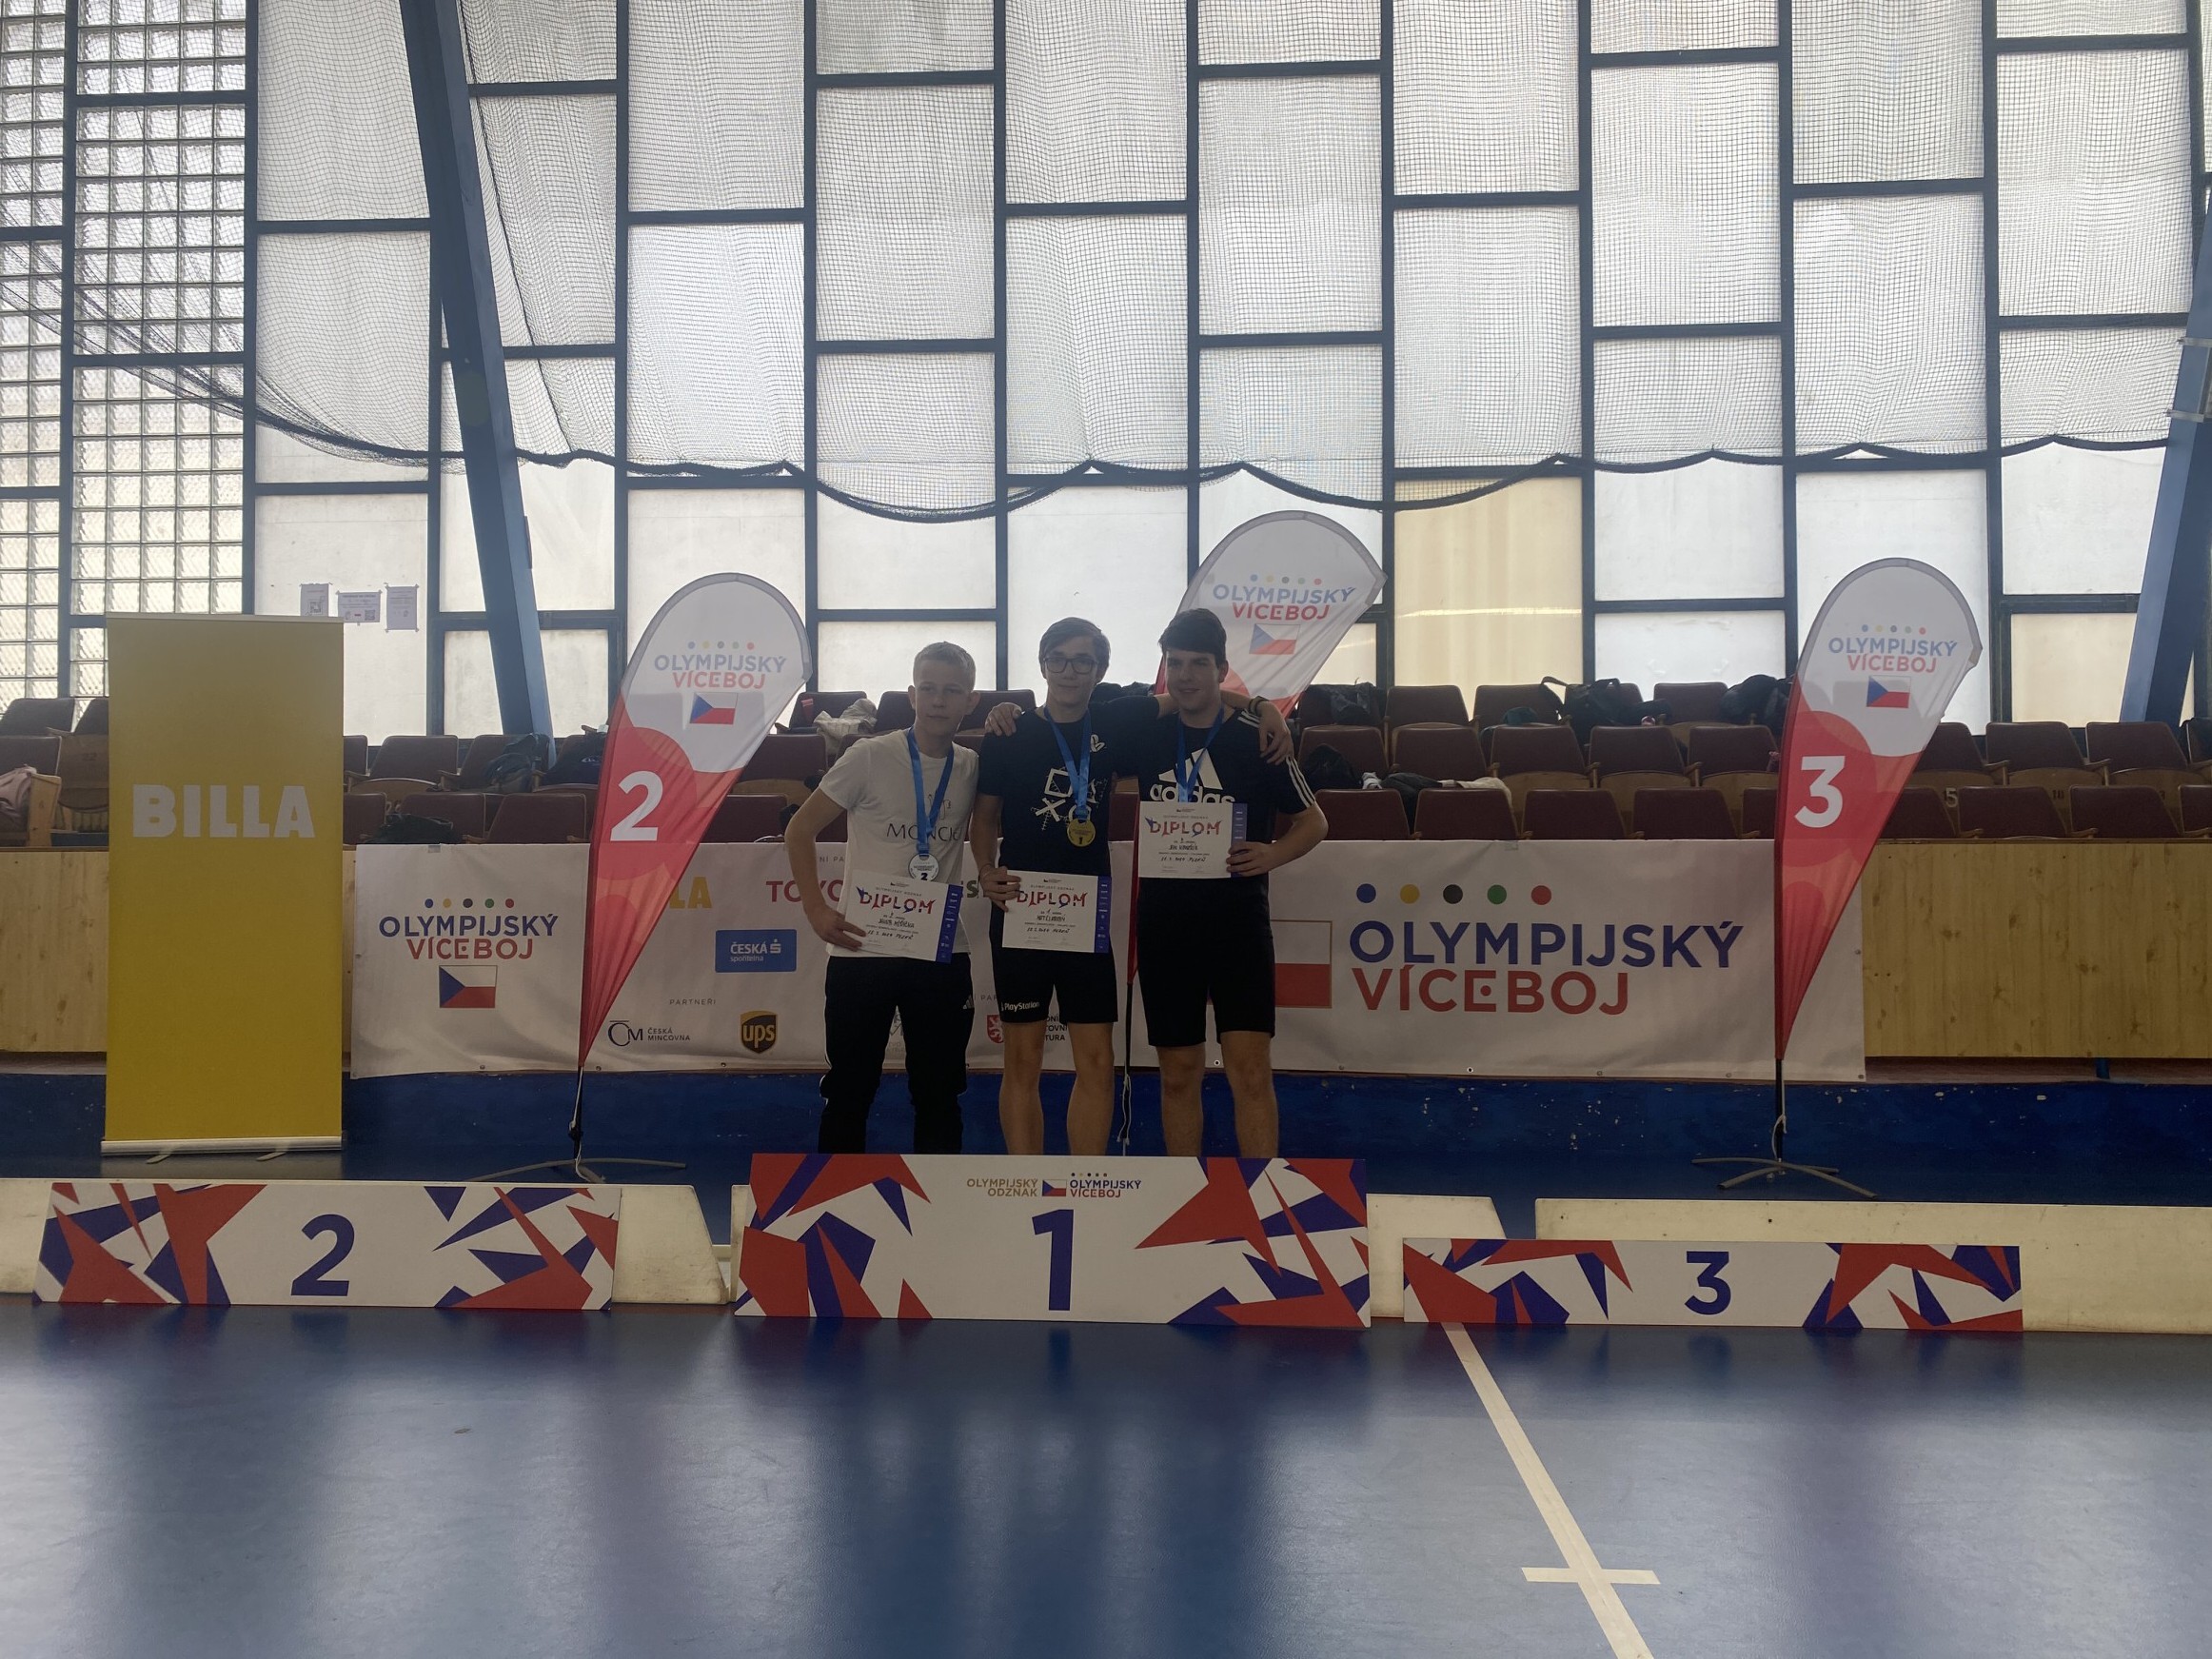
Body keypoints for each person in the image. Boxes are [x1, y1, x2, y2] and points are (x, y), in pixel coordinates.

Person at [971, 619, 1294, 1155]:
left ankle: (1085, 1183)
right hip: (1020, 910)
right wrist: (985, 871)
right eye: (1058, 659)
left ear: (1100, 670)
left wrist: (1264, 708)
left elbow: (1199, 692)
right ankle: (1025, 1185)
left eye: (1083, 660)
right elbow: (983, 819)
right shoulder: (1009, 732)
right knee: (1022, 1060)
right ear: (1042, 664)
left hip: (1085, 916)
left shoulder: (1120, 720)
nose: (1070, 670)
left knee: (1098, 1062)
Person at [1124, 609, 1326, 1157]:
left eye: (1199, 664)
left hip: (1238, 927)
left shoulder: (1256, 739)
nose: (1186, 675)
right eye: (1176, 664)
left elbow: (1314, 822)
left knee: (1250, 1072)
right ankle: (1185, 1191)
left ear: (1221, 668)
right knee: (1177, 1074)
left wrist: (1273, 853)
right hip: (1166, 929)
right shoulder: (1146, 734)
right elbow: (1077, 720)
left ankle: (1260, 1195)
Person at [784, 642, 981, 1154]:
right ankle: (835, 1194)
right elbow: (799, 830)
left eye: (952, 691)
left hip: (940, 951)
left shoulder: (972, 767)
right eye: (929, 689)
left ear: (970, 701)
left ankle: (939, 1198)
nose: (939, 701)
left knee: (940, 1092)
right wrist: (815, 908)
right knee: (850, 1089)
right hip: (862, 948)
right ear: (912, 695)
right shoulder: (869, 756)